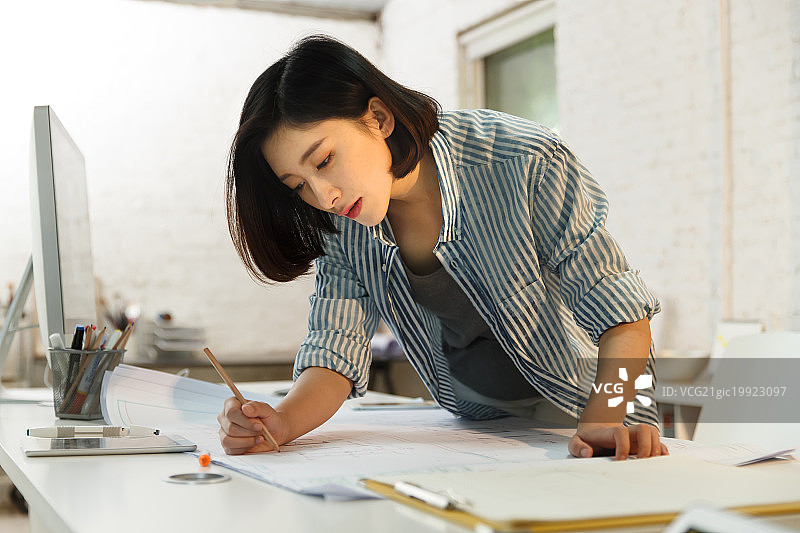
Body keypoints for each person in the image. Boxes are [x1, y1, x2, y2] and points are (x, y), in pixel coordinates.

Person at [218, 35, 668, 461]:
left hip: (588, 409)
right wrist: (280, 423)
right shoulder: (343, 223)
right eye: (298, 185)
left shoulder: (522, 160)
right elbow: (335, 347)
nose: (324, 196)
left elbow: (621, 314)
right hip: (482, 428)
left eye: (325, 161)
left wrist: (605, 416)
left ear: (378, 118)